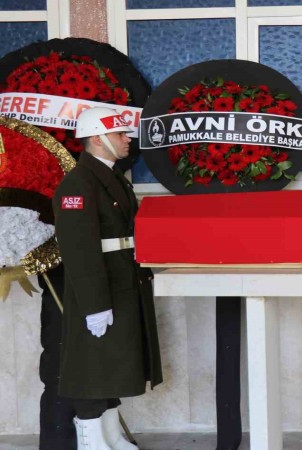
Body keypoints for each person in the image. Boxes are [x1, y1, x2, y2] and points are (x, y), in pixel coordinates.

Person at [53, 107, 162, 450]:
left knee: (112, 361)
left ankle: (111, 437)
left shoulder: (109, 177)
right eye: (119, 134)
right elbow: (79, 249)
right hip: (98, 288)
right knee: (93, 365)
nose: (127, 139)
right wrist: (94, 304)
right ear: (98, 140)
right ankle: (91, 440)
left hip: (121, 281)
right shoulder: (78, 183)